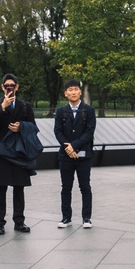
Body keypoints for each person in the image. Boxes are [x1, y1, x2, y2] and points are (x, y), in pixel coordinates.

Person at [0, 73, 35, 234]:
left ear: (17, 87)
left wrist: (21, 126)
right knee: (0, 187)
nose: (9, 88)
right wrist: (3, 107)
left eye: (12, 86)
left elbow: (33, 127)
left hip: (18, 151)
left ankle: (19, 221)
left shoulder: (25, 106)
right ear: (2, 87)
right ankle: (0, 222)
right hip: (0, 151)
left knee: (19, 187)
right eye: (6, 85)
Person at [53, 79, 96, 228]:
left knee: (85, 187)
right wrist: (68, 148)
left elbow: (89, 133)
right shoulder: (60, 111)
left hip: (84, 155)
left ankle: (86, 218)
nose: (73, 92)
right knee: (66, 187)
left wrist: (74, 146)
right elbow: (57, 132)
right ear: (65, 93)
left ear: (80, 92)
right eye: (70, 90)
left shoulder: (89, 110)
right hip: (66, 156)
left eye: (75, 89)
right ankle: (66, 217)